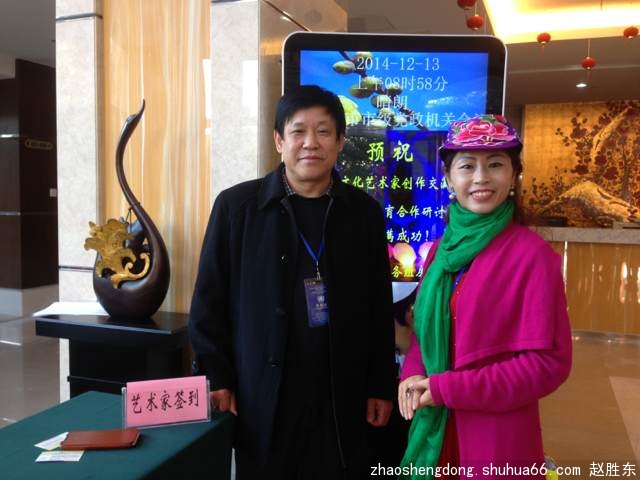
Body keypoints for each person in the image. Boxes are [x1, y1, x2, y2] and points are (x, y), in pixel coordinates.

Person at [188, 85, 396, 479]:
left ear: (340, 142)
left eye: (323, 131)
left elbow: (377, 308)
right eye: (298, 131)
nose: (310, 143)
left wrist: (380, 384)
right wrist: (217, 377)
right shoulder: (236, 208)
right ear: (279, 141)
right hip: (263, 395)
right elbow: (208, 302)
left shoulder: (363, 213)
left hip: (341, 395)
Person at [397, 114, 572, 479]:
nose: (481, 178)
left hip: (495, 438)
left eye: (495, 165)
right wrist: (413, 374)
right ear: (449, 178)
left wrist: (448, 388)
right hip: (434, 428)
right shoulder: (440, 250)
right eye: (466, 166)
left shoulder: (533, 256)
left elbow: (547, 365)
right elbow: (424, 336)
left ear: (513, 174)